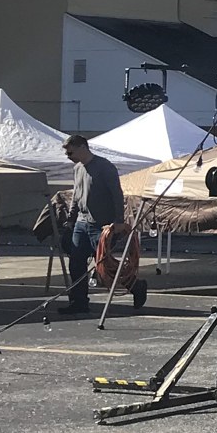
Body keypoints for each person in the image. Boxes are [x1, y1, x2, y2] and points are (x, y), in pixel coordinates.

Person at [60, 133, 127, 314]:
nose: (69, 158)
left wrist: (118, 221)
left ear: (83, 147)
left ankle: (135, 286)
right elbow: (76, 196)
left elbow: (116, 194)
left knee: (105, 266)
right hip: (82, 224)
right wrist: (71, 220)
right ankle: (79, 302)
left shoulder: (104, 167)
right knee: (76, 263)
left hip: (102, 225)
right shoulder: (77, 169)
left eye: (71, 153)